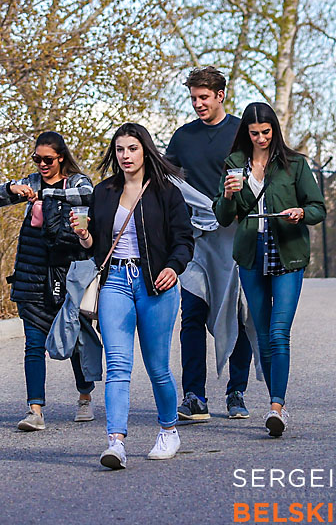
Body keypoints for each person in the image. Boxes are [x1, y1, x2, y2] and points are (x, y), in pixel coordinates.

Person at [72, 123, 193, 469]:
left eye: (132, 149)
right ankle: (116, 442)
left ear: (145, 151)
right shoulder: (104, 192)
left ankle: (169, 431)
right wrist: (83, 236)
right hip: (116, 283)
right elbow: (95, 246)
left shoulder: (166, 192)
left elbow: (184, 239)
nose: (126, 156)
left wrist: (174, 266)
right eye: (120, 149)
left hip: (157, 284)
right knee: (118, 366)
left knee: (158, 368)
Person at [213, 102, 326, 437]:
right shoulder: (234, 164)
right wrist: (230, 196)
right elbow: (222, 216)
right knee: (261, 333)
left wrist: (300, 213)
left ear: (274, 130)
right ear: (246, 133)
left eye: (266, 132)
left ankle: (278, 406)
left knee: (279, 331)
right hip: (251, 252)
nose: (261, 138)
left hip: (287, 250)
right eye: (254, 133)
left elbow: (317, 207)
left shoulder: (293, 163)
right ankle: (274, 401)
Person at [0, 131, 95, 431]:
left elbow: (88, 198)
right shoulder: (30, 181)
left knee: (76, 340)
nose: (42, 165)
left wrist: (46, 195)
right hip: (31, 274)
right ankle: (35, 410)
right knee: (33, 344)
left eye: (48, 160)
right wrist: (10, 188)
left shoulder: (77, 182)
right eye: (37, 159)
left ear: (61, 158)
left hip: (69, 274)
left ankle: (84, 397)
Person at [166, 66, 254, 421]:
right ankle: (194, 396)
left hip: (235, 236)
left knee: (238, 312)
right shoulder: (182, 138)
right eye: (193, 98)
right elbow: (166, 182)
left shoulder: (240, 133)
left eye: (204, 97)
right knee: (192, 315)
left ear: (221, 96)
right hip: (197, 241)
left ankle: (237, 393)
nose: (198, 104)